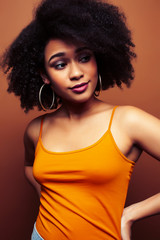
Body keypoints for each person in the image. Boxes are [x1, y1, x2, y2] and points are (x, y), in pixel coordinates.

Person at [1, 0, 160, 239]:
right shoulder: (36, 129)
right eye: (60, 64)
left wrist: (131, 214)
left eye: (84, 57)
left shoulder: (128, 121)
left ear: (98, 59)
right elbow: (29, 167)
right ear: (45, 75)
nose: (76, 73)